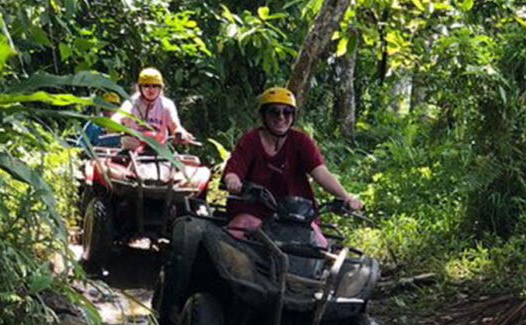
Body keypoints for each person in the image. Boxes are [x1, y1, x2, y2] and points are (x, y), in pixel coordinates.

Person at [223, 87, 362, 243]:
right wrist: (233, 181)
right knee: (235, 232)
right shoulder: (250, 140)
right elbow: (234, 170)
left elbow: (321, 173)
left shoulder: (301, 141)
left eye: (287, 112)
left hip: (296, 216)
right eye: (274, 112)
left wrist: (346, 197)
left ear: (293, 116)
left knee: (321, 245)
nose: (281, 117)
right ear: (264, 115)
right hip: (256, 212)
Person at [111, 67, 194, 150]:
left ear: (160, 88)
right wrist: (113, 124)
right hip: (131, 149)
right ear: (140, 88)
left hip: (159, 151)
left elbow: (175, 125)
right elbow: (119, 116)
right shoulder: (132, 103)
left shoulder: (167, 104)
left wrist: (181, 133)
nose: (151, 90)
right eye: (146, 86)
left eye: (155, 86)